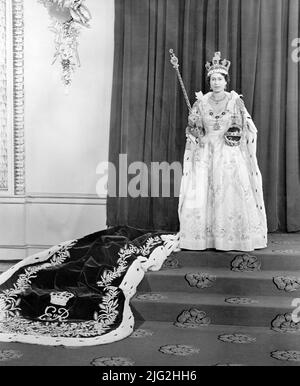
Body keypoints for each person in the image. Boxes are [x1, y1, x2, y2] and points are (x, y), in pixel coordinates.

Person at [178, 52, 268, 251]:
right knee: (203, 190)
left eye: (220, 79)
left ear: (226, 81)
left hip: (229, 152)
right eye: (213, 79)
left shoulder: (235, 101)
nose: (216, 82)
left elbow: (245, 126)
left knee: (229, 191)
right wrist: (194, 127)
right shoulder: (200, 102)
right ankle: (203, 238)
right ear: (209, 82)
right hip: (206, 151)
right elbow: (195, 130)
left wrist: (235, 132)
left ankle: (233, 237)